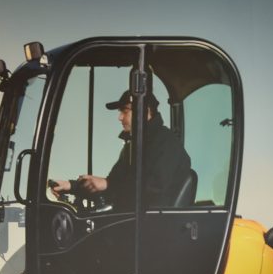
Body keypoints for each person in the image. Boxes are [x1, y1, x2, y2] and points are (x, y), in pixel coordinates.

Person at [50, 89, 191, 210]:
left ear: (145, 111)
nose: (119, 117)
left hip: (154, 230)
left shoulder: (167, 143)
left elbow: (153, 189)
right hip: (132, 223)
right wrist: (71, 186)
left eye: (125, 111)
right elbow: (113, 188)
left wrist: (107, 184)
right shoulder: (132, 148)